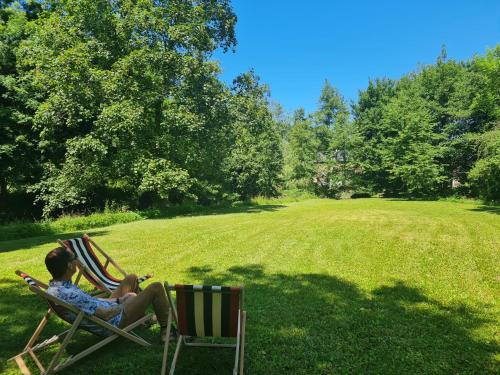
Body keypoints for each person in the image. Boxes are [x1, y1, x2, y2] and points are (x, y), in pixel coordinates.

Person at [45, 246, 172, 341]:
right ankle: (168, 332)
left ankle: (143, 320)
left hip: (107, 312)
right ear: (69, 266)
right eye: (74, 258)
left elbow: (93, 304)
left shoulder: (58, 287)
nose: (77, 261)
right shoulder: (70, 294)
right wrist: (126, 303)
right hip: (113, 323)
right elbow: (106, 315)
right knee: (156, 287)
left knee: (131, 278)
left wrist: (119, 300)